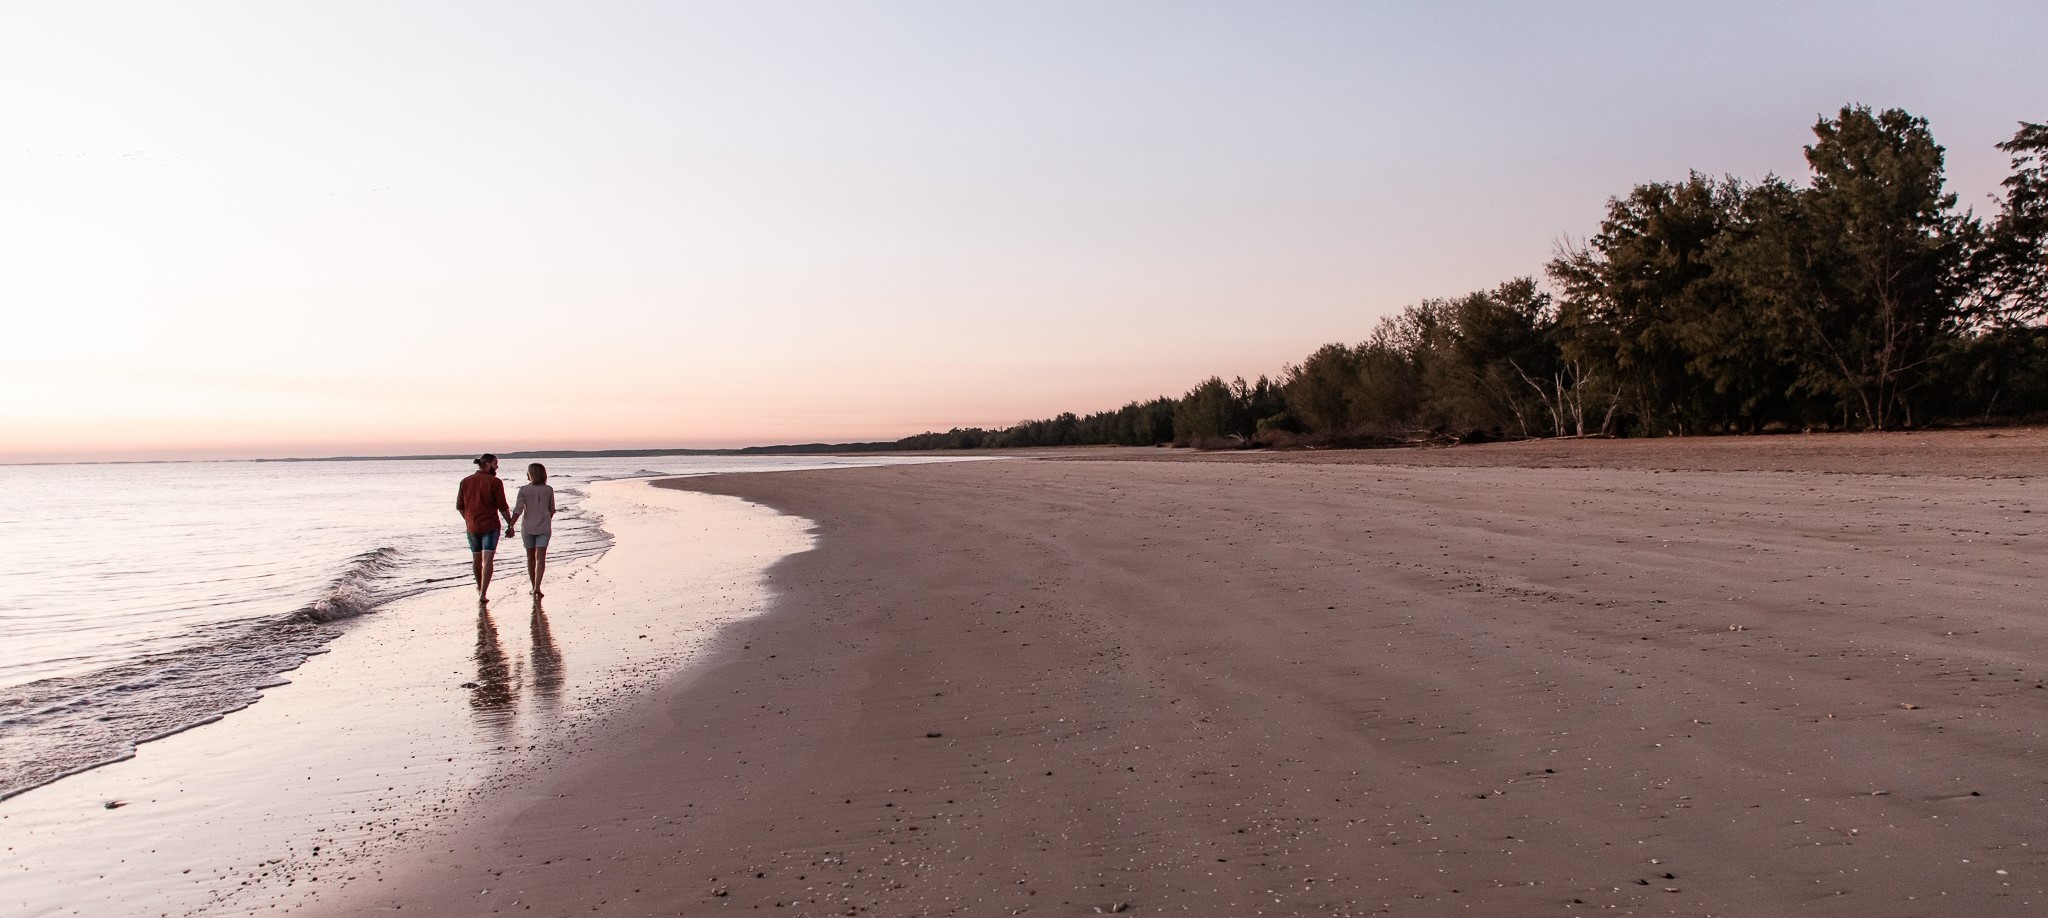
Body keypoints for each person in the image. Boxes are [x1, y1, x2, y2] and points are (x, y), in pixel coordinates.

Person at [456, 454, 514, 604]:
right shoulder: (494, 482)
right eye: (495, 463)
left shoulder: (465, 481)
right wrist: (510, 524)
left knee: (476, 558)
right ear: (488, 464)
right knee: (488, 559)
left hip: (472, 526)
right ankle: (483, 593)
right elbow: (503, 507)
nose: (497, 467)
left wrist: (468, 519)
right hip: (490, 526)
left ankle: (479, 587)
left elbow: (460, 507)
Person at [506, 462, 557, 599]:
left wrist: (511, 525)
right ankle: (537, 587)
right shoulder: (549, 489)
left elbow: (518, 510)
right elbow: (552, 510)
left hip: (528, 527)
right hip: (544, 527)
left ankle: (532, 585)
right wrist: (545, 518)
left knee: (530, 557)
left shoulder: (523, 490)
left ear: (530, 474)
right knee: (541, 558)